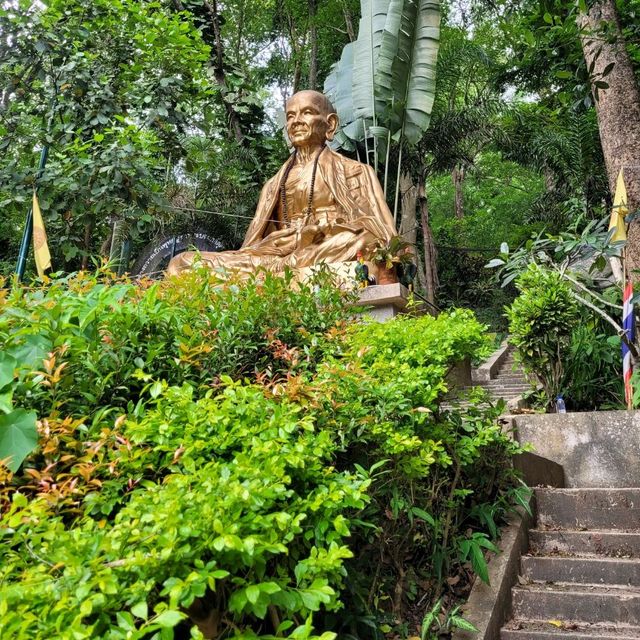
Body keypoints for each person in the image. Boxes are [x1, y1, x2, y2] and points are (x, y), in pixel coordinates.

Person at [166, 90, 397, 278]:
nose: (296, 122)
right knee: (182, 263)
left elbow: (382, 233)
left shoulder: (355, 172)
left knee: (362, 243)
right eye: (290, 116)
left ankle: (284, 271)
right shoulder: (273, 185)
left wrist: (324, 231)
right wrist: (294, 240)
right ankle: (284, 271)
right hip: (278, 256)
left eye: (307, 113)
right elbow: (253, 247)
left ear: (330, 125)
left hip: (327, 246)